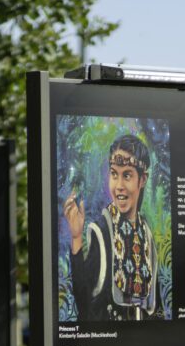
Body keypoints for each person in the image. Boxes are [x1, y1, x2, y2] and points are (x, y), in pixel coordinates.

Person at [62, 132, 165, 321]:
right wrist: (77, 238)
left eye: (127, 175)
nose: (119, 185)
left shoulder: (147, 235)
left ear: (142, 180)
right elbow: (84, 305)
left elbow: (156, 306)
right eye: (114, 174)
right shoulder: (102, 231)